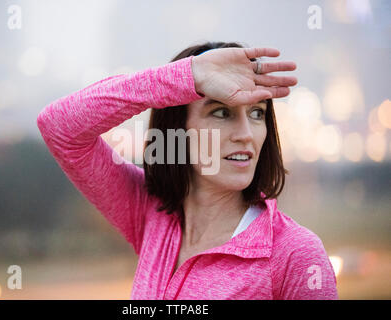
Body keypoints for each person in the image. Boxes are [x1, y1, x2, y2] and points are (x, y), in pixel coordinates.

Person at [37, 41, 338, 299]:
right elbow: (60, 127)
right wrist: (186, 76)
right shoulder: (150, 213)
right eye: (221, 112)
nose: (246, 133)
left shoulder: (295, 254)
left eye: (257, 113)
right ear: (177, 129)